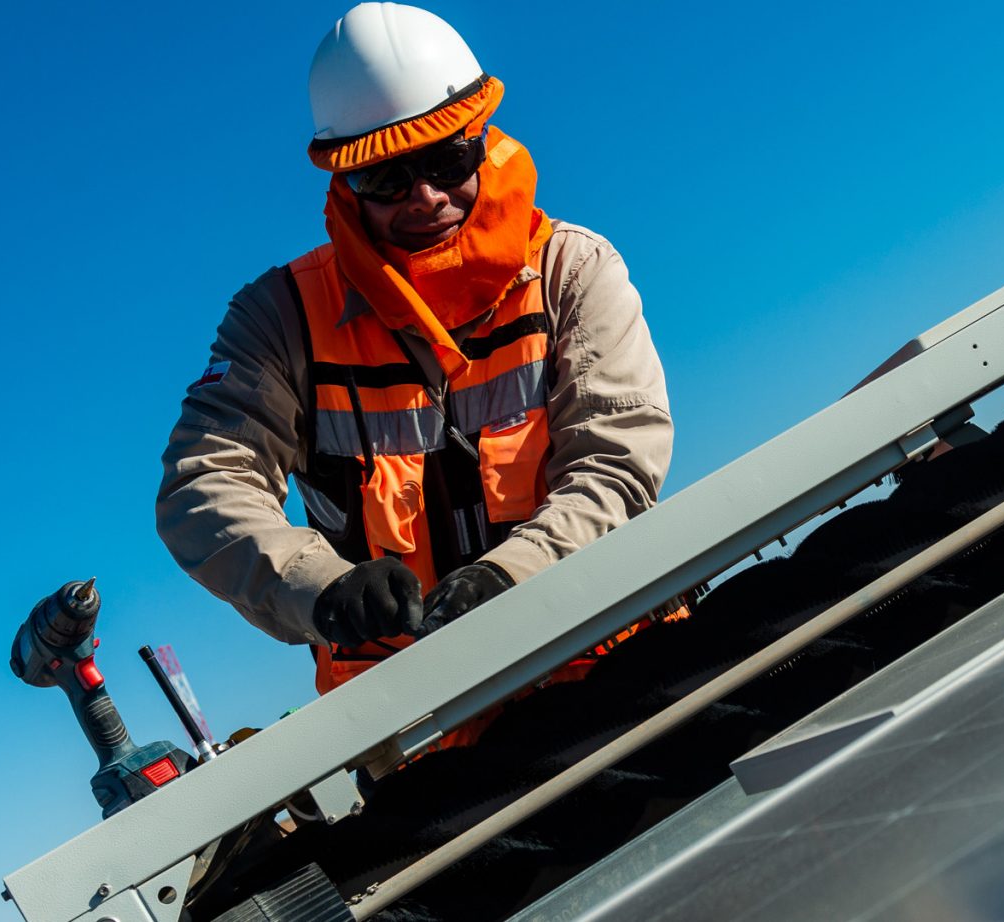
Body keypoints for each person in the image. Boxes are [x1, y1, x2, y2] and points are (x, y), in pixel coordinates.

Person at [157, 1, 673, 725]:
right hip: (418, 732)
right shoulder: (278, 319)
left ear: (481, 140)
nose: (426, 197)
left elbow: (616, 461)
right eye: (387, 179)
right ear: (345, 183)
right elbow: (205, 484)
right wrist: (321, 587)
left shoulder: (572, 269)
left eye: (446, 161)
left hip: (617, 674)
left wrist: (513, 576)